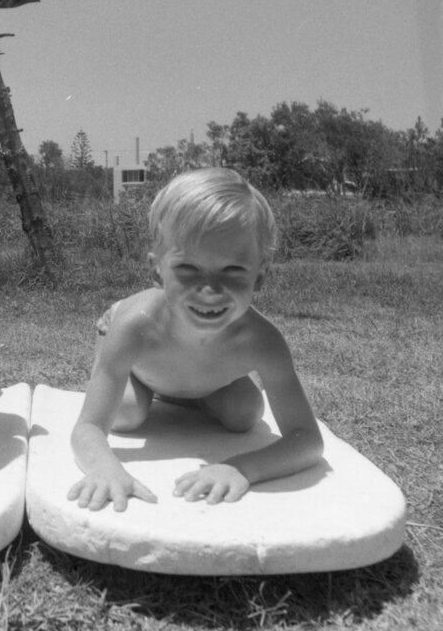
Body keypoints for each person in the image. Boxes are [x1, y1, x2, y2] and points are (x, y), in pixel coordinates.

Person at [68, 168, 324, 512]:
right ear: (157, 270)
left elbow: (306, 440)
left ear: (260, 277)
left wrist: (241, 468)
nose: (209, 290)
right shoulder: (135, 327)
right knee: (126, 414)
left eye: (232, 271)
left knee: (244, 413)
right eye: (188, 268)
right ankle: (161, 387)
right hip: (138, 353)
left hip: (195, 370)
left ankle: (186, 396)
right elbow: (88, 426)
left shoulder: (262, 341)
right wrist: (105, 467)